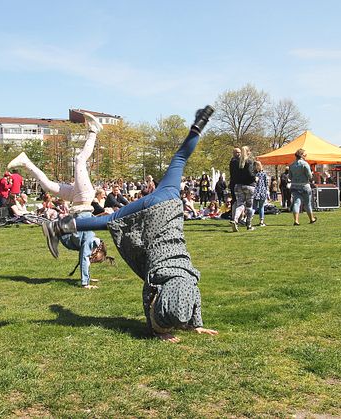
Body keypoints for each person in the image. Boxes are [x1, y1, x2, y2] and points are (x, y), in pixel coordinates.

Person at [41, 106, 219, 342]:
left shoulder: (189, 276)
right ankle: (57, 227)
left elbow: (191, 296)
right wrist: (156, 330)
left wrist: (197, 326)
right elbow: (150, 292)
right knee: (112, 222)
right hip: (160, 215)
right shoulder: (161, 276)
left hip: (168, 200)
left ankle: (199, 124)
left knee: (178, 160)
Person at [8, 112, 108, 289]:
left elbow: (84, 257)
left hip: (77, 200)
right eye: (94, 256)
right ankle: (93, 130)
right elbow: (84, 257)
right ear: (96, 249)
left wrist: (88, 276)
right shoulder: (90, 236)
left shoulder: (88, 238)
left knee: (47, 185)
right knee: (79, 160)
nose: (90, 257)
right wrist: (85, 283)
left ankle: (25, 162)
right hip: (84, 198)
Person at [229, 146, 255, 231]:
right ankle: (249, 225)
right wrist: (255, 178)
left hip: (238, 186)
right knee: (249, 206)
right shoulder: (249, 162)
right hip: (249, 185)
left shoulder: (235, 162)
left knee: (240, 204)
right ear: (248, 152)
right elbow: (250, 174)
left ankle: (235, 220)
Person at [289, 149, 317, 226]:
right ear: (302, 155)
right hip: (304, 186)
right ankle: (312, 219)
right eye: (305, 154)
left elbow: (290, 177)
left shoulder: (291, 165)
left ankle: (296, 220)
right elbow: (309, 176)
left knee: (296, 203)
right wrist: (311, 174)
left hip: (294, 186)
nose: (306, 156)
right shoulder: (305, 164)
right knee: (307, 204)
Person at [252, 161, 269, 227]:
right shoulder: (263, 173)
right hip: (262, 191)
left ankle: (249, 219)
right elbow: (266, 183)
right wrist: (267, 192)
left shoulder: (253, 174)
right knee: (261, 207)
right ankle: (261, 221)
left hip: (255, 191)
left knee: (254, 207)